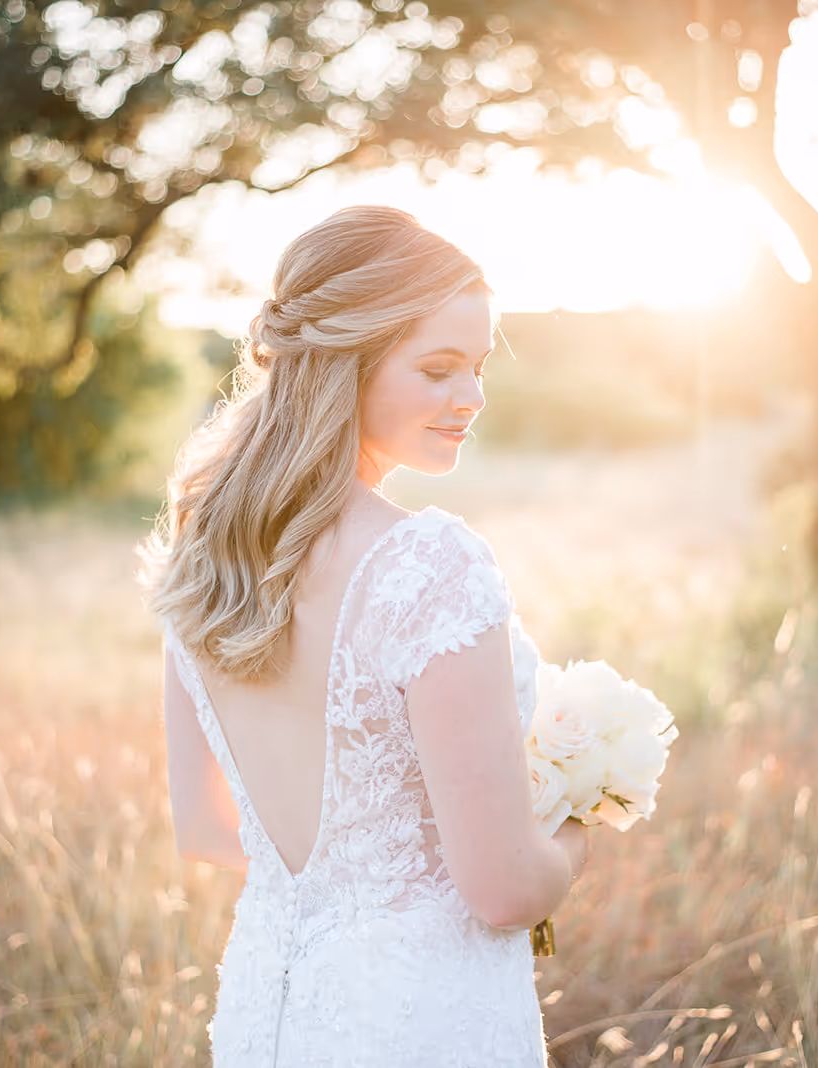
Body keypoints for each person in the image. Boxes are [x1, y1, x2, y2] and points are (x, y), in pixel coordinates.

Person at [137, 205, 590, 1066]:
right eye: (438, 368)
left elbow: (201, 827)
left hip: (268, 1014)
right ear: (346, 364)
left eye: (479, 366)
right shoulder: (429, 564)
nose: (473, 396)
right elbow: (501, 893)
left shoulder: (206, 550)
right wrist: (579, 829)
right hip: (421, 1025)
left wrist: (348, 890)